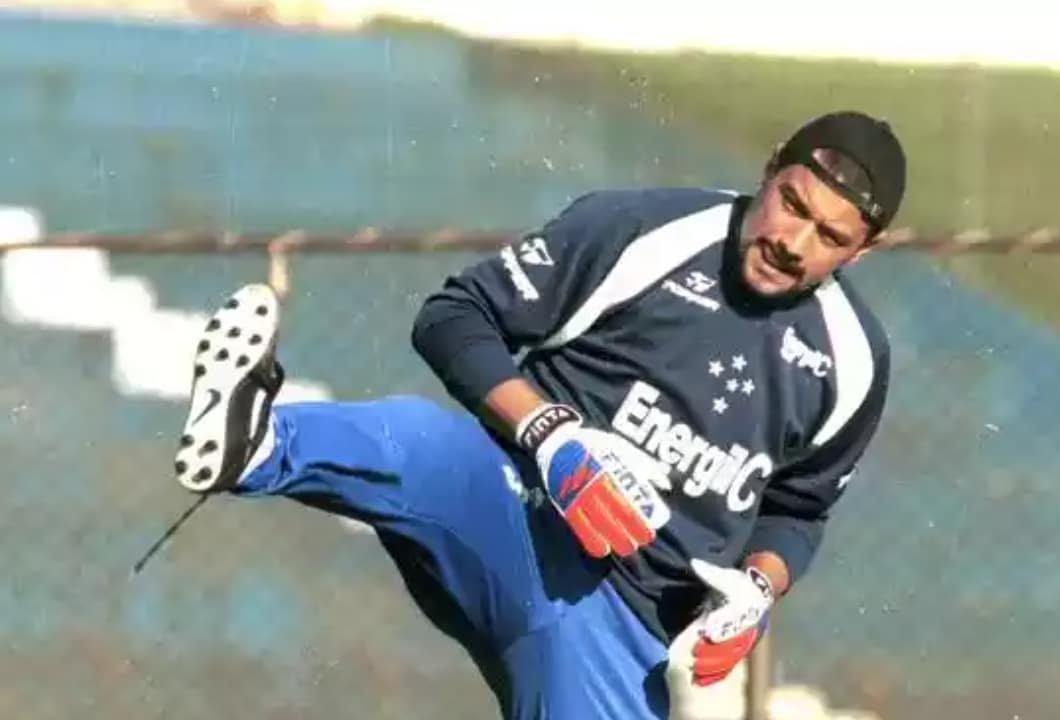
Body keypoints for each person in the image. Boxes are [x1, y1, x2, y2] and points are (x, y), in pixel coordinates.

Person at [171, 110, 904, 719]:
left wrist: (758, 587)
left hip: (624, 626)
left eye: (831, 236)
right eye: (793, 203)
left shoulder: (854, 359)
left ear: (863, 251)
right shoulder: (646, 230)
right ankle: (256, 442)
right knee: (420, 444)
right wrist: (552, 436)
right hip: (515, 509)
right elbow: (455, 319)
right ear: (770, 170)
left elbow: (800, 510)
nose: (793, 240)